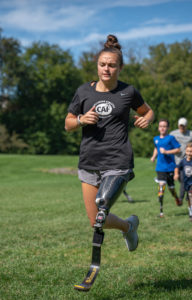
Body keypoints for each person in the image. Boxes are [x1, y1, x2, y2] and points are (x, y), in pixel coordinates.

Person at [65, 34, 154, 254]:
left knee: (103, 203)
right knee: (96, 220)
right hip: (89, 162)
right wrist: (80, 120)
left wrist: (147, 119)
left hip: (117, 160)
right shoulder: (83, 91)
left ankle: (126, 224)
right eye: (102, 64)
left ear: (120, 68)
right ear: (97, 66)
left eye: (112, 65)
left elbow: (148, 111)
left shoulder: (128, 92)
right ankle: (128, 226)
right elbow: (68, 124)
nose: (106, 69)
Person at [151, 119, 181, 217]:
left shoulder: (171, 138)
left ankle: (176, 197)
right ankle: (161, 211)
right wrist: (154, 156)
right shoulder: (156, 138)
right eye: (160, 126)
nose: (162, 128)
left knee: (171, 188)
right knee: (161, 188)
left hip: (170, 167)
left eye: (164, 126)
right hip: (160, 168)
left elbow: (178, 149)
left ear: (168, 128)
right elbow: (156, 148)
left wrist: (167, 152)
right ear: (158, 128)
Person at [170, 117, 192, 204]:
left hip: (189, 161)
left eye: (183, 126)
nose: (182, 127)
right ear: (178, 125)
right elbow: (169, 143)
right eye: (180, 126)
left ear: (186, 126)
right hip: (178, 161)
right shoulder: (173, 134)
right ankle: (190, 193)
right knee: (182, 180)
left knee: (187, 180)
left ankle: (185, 197)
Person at [174, 142, 192, 221]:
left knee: (191, 194)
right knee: (188, 198)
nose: (189, 153)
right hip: (186, 183)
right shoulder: (183, 161)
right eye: (188, 151)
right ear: (185, 151)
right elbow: (177, 167)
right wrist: (176, 174)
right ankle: (191, 213)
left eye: (191, 151)